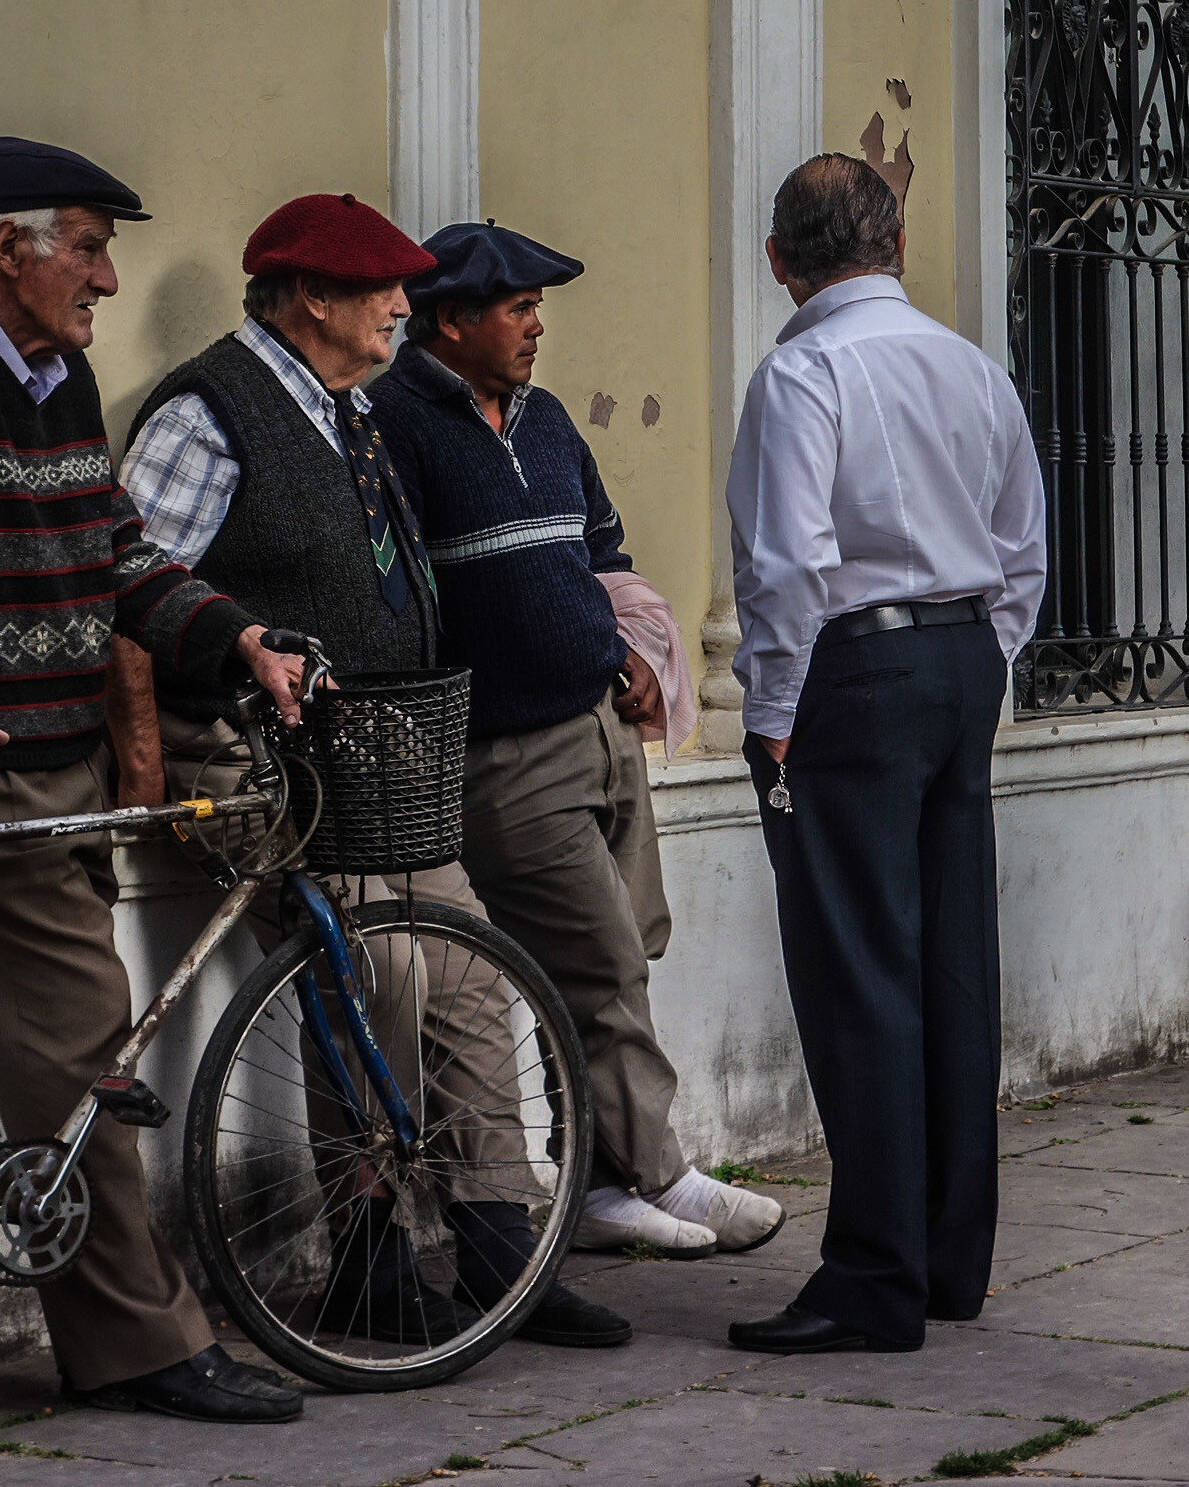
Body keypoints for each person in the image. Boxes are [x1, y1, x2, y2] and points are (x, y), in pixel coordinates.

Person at [0, 136, 306, 1424]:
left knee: (79, 1064)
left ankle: (125, 1329)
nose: (107, 276)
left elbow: (117, 554)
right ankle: (145, 1346)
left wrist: (236, 637)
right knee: (87, 1061)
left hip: (65, 764)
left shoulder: (54, 370)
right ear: (13, 247)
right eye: (90, 244)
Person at [118, 192, 626, 1350]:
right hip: (265, 750)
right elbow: (131, 587)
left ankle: (505, 1244)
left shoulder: (348, 407)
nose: (406, 304)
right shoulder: (213, 409)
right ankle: (372, 1252)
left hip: (384, 753)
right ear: (312, 297)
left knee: (466, 975)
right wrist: (148, 761)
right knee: (376, 966)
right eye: (384, 289)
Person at [369, 221, 782, 1261]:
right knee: (597, 958)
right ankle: (657, 1170)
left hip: (599, 724)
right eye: (518, 308)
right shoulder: (398, 425)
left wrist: (631, 652)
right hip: (501, 750)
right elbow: (400, 592)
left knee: (624, 948)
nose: (537, 325)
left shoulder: (547, 419)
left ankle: (601, 1181)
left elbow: (602, 549)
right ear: (451, 321)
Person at [723, 153, 1047, 1356]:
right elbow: (1023, 544)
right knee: (953, 957)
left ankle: (873, 1273)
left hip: (853, 670)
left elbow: (789, 562)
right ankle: (945, 1256)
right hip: (959, 659)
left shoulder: (804, 369)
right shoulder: (971, 366)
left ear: (780, 261)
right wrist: (985, 658)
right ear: (896, 243)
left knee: (860, 965)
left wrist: (771, 708)